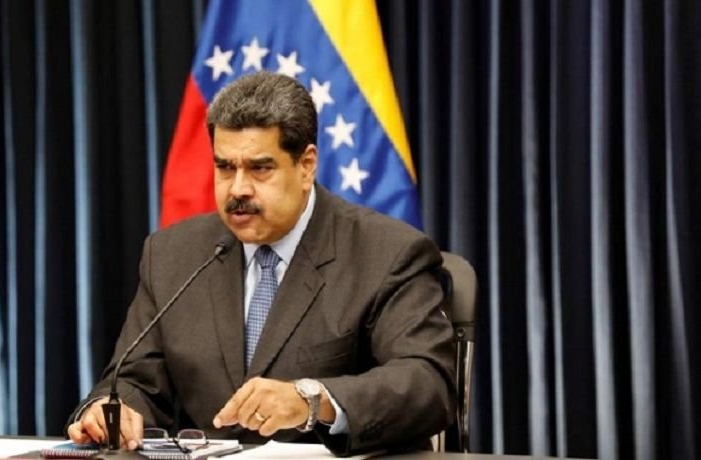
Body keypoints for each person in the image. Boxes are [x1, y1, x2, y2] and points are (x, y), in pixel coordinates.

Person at [66, 72, 456, 455]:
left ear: (306, 166)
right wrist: (112, 410)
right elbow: (135, 379)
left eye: (260, 168)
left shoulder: (386, 253)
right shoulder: (173, 255)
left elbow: (428, 382)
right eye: (225, 167)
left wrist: (314, 400)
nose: (238, 188)